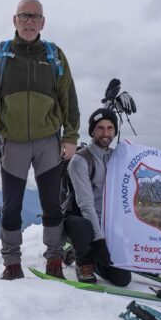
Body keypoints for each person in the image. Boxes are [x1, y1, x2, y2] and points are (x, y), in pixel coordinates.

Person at [0, 0, 80, 280]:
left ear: (43, 22)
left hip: (48, 140)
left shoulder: (54, 55)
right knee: (11, 205)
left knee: (51, 203)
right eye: (24, 16)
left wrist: (70, 137)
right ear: (15, 20)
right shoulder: (0, 54)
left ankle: (55, 258)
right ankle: (11, 262)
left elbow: (68, 98)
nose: (29, 21)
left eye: (35, 17)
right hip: (13, 141)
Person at [63, 108, 132, 286]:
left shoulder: (115, 157)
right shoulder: (80, 160)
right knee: (83, 226)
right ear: (92, 131)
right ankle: (83, 261)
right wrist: (99, 240)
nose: (106, 133)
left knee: (122, 279)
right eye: (100, 128)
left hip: (106, 221)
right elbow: (85, 205)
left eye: (110, 128)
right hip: (77, 218)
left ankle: (90, 257)